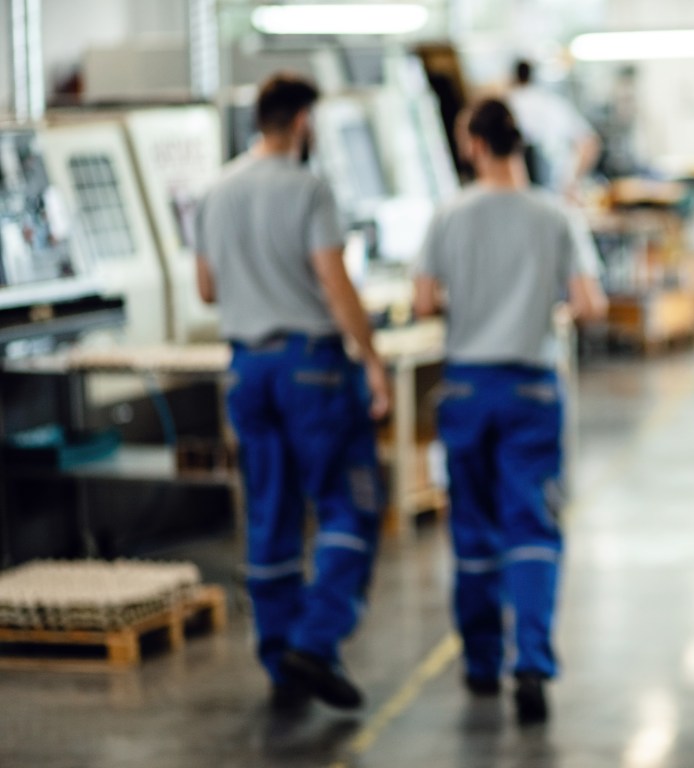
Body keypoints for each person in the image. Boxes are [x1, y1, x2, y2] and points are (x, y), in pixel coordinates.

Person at [195, 72, 391, 712]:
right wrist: (372, 357)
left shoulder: (216, 191)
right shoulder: (310, 188)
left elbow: (206, 289)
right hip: (312, 366)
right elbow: (334, 284)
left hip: (247, 366)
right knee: (350, 503)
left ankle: (281, 659)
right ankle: (317, 638)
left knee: (271, 508)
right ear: (303, 123)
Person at [412, 98, 608, 724]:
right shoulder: (553, 216)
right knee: (533, 527)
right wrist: (536, 307)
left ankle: (478, 664)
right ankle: (530, 662)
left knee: (471, 530)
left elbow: (421, 302)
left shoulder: (448, 214)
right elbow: (588, 305)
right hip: (532, 387)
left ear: (473, 144)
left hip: (467, 386)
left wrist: (472, 304)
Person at [507, 58, 601, 199]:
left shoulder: (507, 105)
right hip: (557, 195)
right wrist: (571, 180)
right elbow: (590, 143)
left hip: (519, 197)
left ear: (514, 77)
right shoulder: (555, 104)